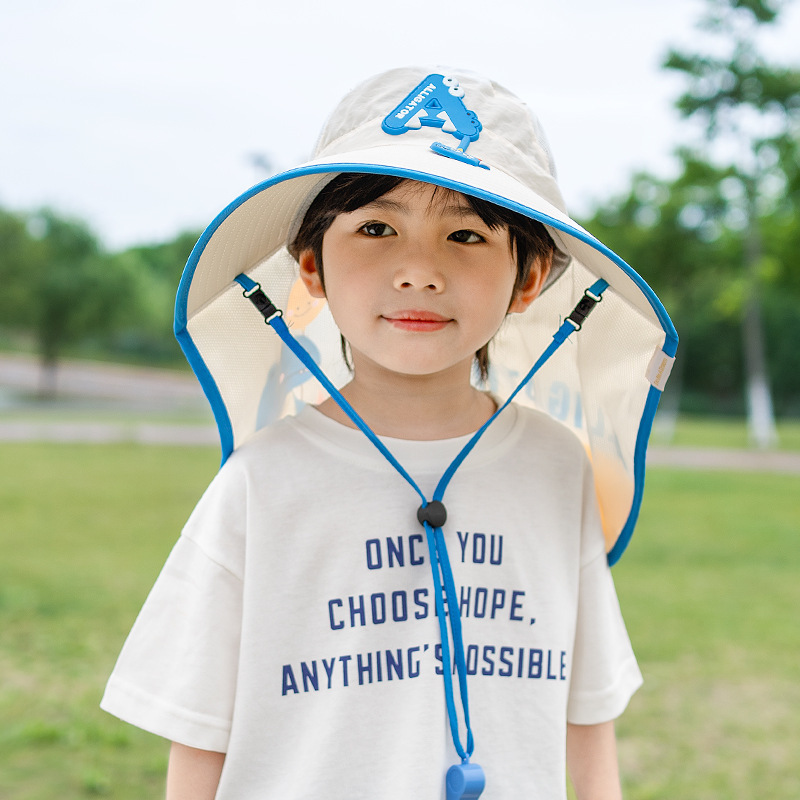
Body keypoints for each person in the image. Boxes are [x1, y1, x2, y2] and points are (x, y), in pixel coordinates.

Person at [101, 67, 677, 800]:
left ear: (528, 279)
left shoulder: (558, 468)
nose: (418, 270)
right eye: (376, 228)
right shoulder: (260, 481)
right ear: (310, 267)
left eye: (466, 233)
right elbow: (199, 732)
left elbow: (588, 713)